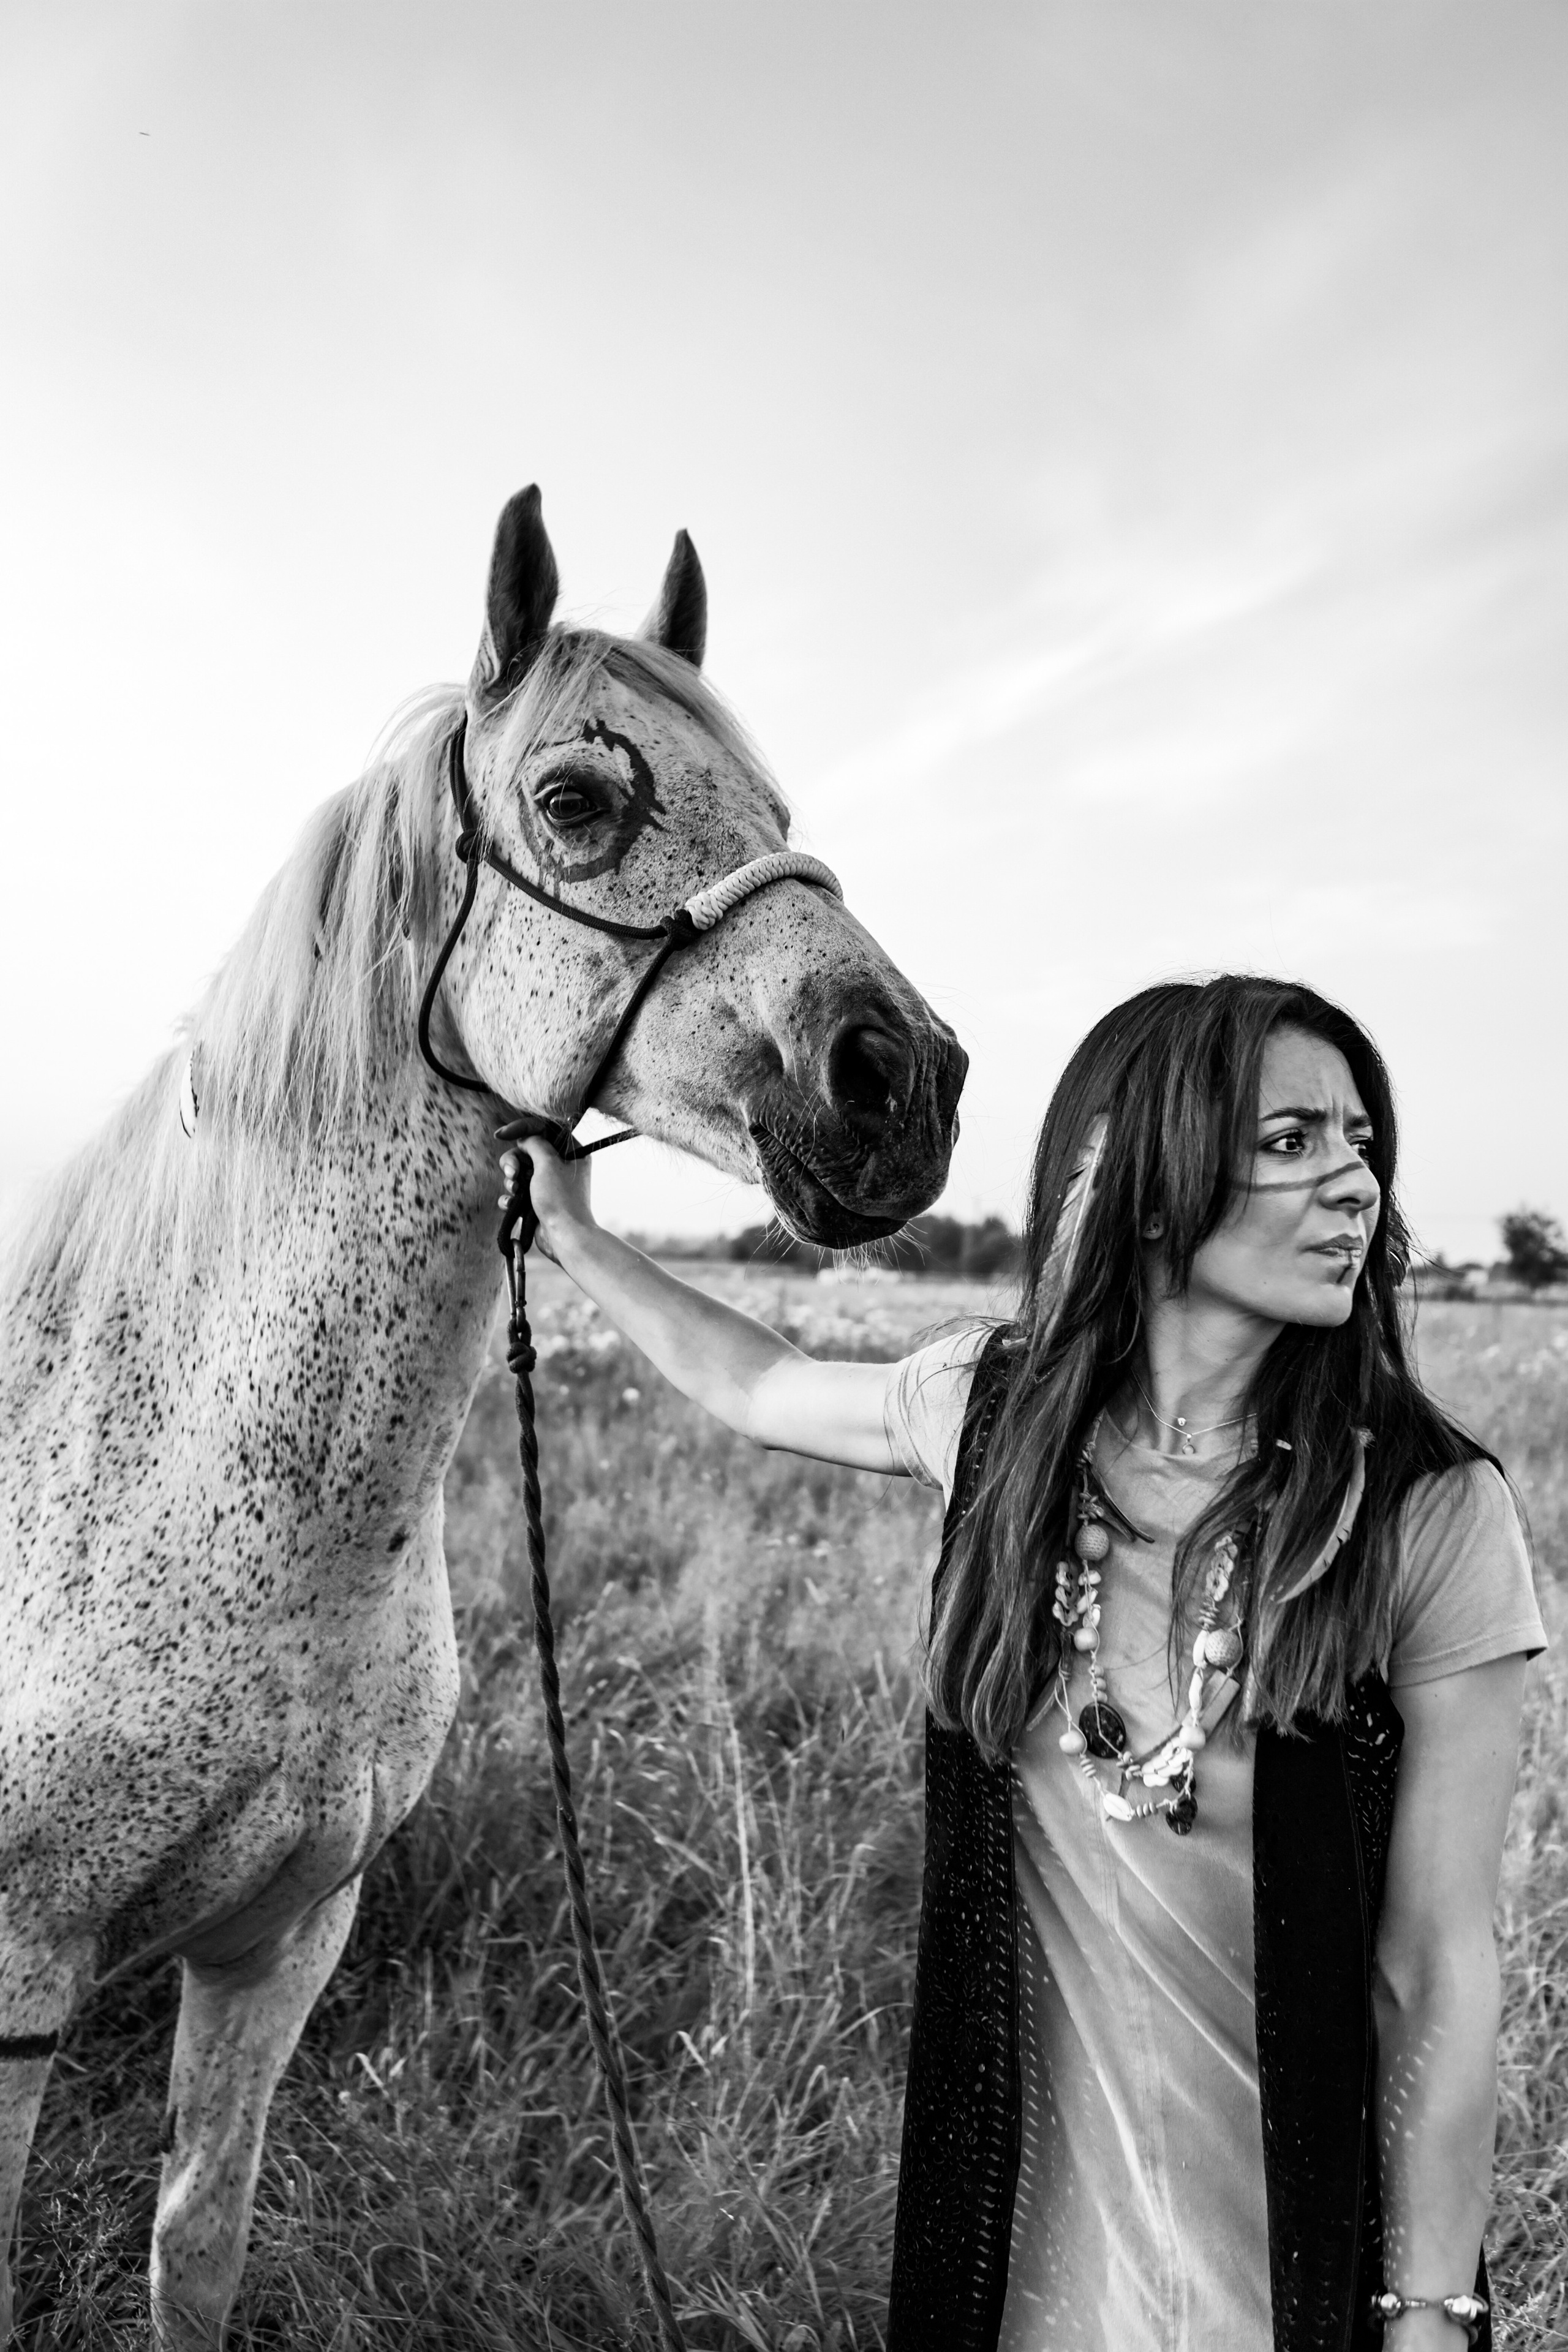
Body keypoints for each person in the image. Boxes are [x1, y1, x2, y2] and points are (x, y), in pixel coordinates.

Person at [506, 976, 1544, 2352]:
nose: (1353, 1183)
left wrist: (1427, 2313)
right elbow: (756, 1384)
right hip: (1038, 2234)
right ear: (1145, 1178)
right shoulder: (992, 1424)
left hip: (1289, 2231)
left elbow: (1435, 1964)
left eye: (1357, 1142)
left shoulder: (1419, 1509)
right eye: (1291, 1142)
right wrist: (574, 1238)